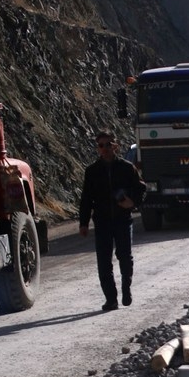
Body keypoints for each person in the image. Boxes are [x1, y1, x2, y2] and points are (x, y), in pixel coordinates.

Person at [78, 131, 146, 311]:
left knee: (125, 257)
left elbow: (140, 188)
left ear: (115, 146)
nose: (105, 148)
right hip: (102, 222)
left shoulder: (126, 167)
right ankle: (111, 299)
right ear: (98, 149)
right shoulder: (92, 171)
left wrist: (132, 202)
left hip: (123, 219)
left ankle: (126, 288)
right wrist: (83, 223)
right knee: (103, 262)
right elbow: (86, 199)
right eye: (101, 145)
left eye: (108, 144)